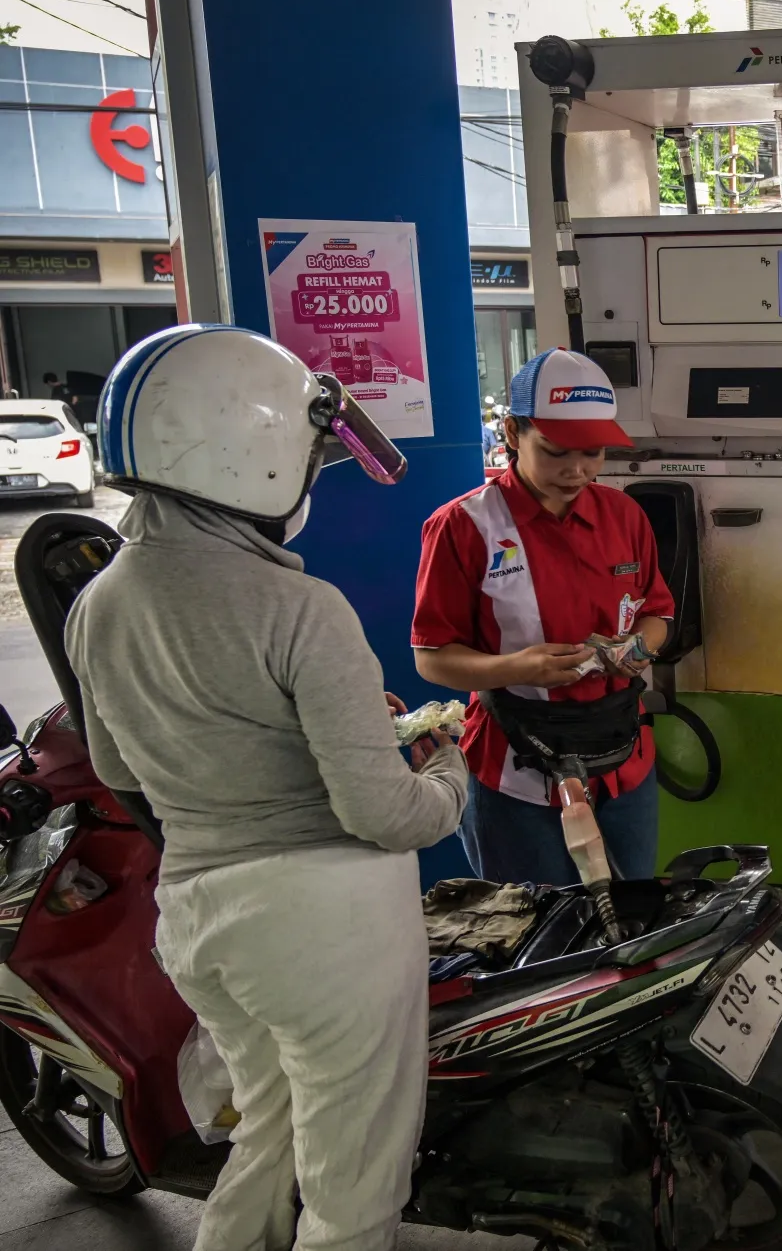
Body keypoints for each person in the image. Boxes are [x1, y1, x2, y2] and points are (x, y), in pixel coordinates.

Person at [66, 323, 468, 1251]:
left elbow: (123, 772)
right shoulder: (300, 606)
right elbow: (381, 812)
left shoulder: (100, 605)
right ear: (251, 453)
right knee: (352, 1187)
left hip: (201, 922)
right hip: (325, 929)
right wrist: (447, 770)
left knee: (273, 1131)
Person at [413, 347, 674, 885]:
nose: (577, 470)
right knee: (536, 936)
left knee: (631, 925)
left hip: (623, 760)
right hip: (516, 769)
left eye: (593, 453)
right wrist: (518, 668)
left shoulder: (624, 515)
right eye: (555, 452)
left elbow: (657, 613)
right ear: (512, 432)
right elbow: (433, 657)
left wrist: (636, 651)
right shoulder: (464, 527)